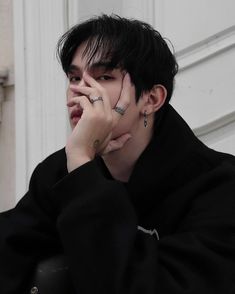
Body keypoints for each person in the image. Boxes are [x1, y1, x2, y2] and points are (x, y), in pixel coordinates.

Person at [1, 13, 235, 294]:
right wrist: (79, 165)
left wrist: (81, 165)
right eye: (75, 77)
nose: (80, 92)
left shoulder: (219, 188)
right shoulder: (60, 173)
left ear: (151, 99)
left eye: (103, 76)